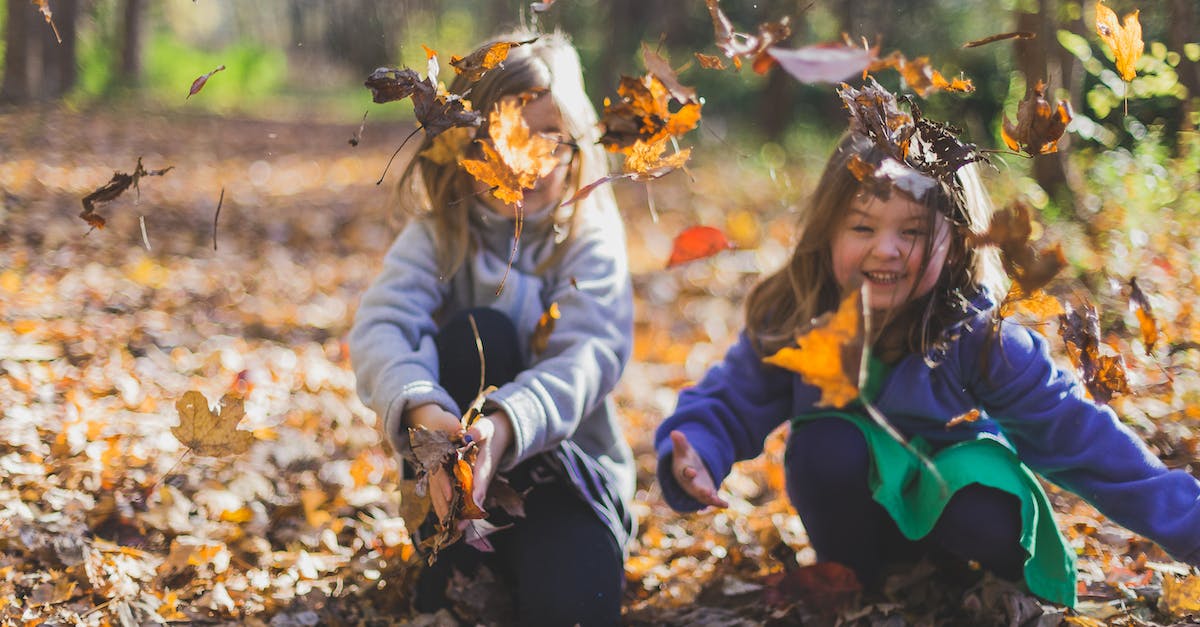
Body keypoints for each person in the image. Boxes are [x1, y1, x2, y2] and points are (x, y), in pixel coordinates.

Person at [654, 88, 1200, 608]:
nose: (885, 249)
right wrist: (699, 448)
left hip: (965, 517)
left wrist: (1191, 527)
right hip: (858, 524)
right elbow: (732, 398)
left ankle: (972, 586)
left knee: (979, 496)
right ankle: (864, 580)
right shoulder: (800, 314)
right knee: (827, 445)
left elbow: (1082, 438)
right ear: (828, 231)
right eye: (862, 226)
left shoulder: (980, 336)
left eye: (913, 231)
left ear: (958, 240)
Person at [350, 30, 633, 625]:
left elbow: (590, 355)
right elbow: (383, 326)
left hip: (566, 479)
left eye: (545, 136)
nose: (522, 159)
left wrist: (507, 425)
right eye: (500, 136)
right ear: (462, 145)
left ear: (574, 140)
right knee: (480, 333)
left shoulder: (588, 240)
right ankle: (451, 551)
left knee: (576, 609)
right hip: (451, 486)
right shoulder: (438, 236)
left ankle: (547, 563)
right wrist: (424, 414)